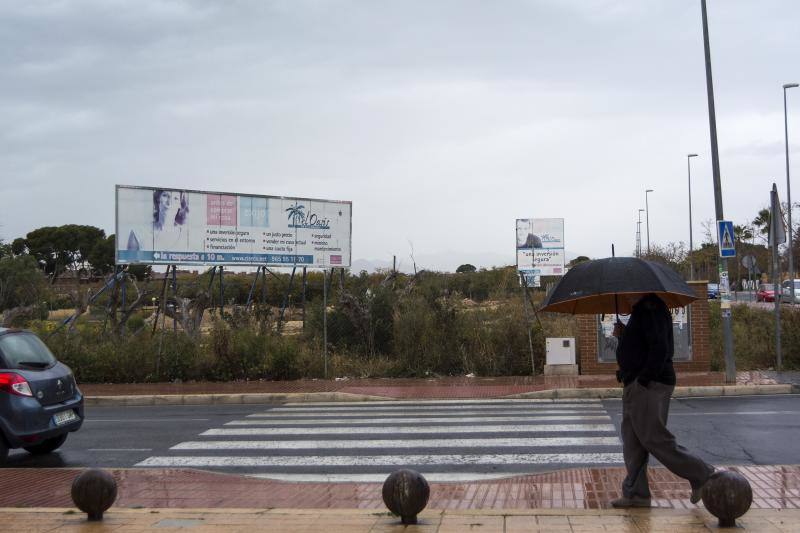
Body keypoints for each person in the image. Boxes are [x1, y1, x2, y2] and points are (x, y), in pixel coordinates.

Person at [611, 293, 715, 508]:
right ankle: (636, 494)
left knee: (654, 438)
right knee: (633, 442)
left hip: (649, 385)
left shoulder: (651, 308)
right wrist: (624, 335)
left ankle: (702, 473)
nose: (624, 295)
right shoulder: (641, 311)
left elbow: (660, 348)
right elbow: (641, 347)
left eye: (627, 291)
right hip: (634, 384)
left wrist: (644, 380)